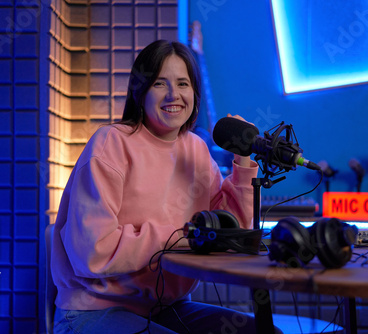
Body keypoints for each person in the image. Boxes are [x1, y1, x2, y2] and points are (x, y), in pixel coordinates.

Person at [51, 40, 280, 334]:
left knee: (263, 332)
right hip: (94, 310)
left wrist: (243, 161)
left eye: (183, 83)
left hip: (165, 308)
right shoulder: (111, 144)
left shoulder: (196, 150)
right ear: (141, 91)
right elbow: (92, 254)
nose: (174, 94)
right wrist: (182, 237)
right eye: (160, 83)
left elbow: (231, 230)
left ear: (194, 93)